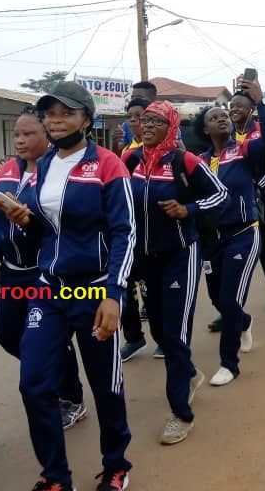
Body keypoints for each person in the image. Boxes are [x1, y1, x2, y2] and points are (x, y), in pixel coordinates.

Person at [1, 82, 134, 491]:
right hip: (48, 288)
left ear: (86, 119)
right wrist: (25, 221)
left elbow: (124, 232)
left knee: (105, 385)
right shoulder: (41, 167)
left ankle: (116, 465)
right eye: (50, 113)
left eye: (66, 112)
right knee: (34, 382)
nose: (55, 120)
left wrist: (113, 294)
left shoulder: (108, 165)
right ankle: (55, 475)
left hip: (93, 290)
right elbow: (48, 231)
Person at [128, 100, 228, 444]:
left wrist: (188, 208)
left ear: (171, 126)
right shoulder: (131, 160)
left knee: (173, 334)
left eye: (157, 121)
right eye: (144, 121)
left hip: (180, 256)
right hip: (145, 258)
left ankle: (180, 414)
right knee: (158, 329)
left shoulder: (184, 161)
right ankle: (189, 372)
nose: (148, 126)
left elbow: (220, 194)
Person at [0, 107, 87, 431]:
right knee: (7, 334)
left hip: (46, 271)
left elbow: (66, 226)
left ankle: (71, 396)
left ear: (48, 136)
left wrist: (29, 220)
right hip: (13, 270)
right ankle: (47, 375)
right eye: (17, 134)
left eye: (29, 134)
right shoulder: (7, 172)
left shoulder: (57, 172)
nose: (20, 140)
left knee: (47, 337)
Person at [194, 75, 265, 385]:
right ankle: (244, 322)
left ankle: (229, 363)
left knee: (229, 300)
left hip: (243, 233)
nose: (222, 119)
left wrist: (261, 104)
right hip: (211, 240)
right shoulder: (200, 161)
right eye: (214, 117)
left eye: (224, 115)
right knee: (217, 299)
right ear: (205, 129)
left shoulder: (243, 150)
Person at [208, 89, 265, 322]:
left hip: (263, 197)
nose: (234, 109)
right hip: (233, 203)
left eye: (239, 105)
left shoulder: (260, 132)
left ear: (251, 110)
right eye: (232, 105)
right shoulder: (227, 136)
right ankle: (231, 309)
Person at [116, 97, 154, 362]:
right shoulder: (127, 152)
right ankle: (134, 337)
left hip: (157, 234)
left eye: (138, 116)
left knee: (151, 289)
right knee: (124, 286)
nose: (132, 120)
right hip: (129, 231)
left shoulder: (167, 150)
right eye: (129, 116)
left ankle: (164, 339)